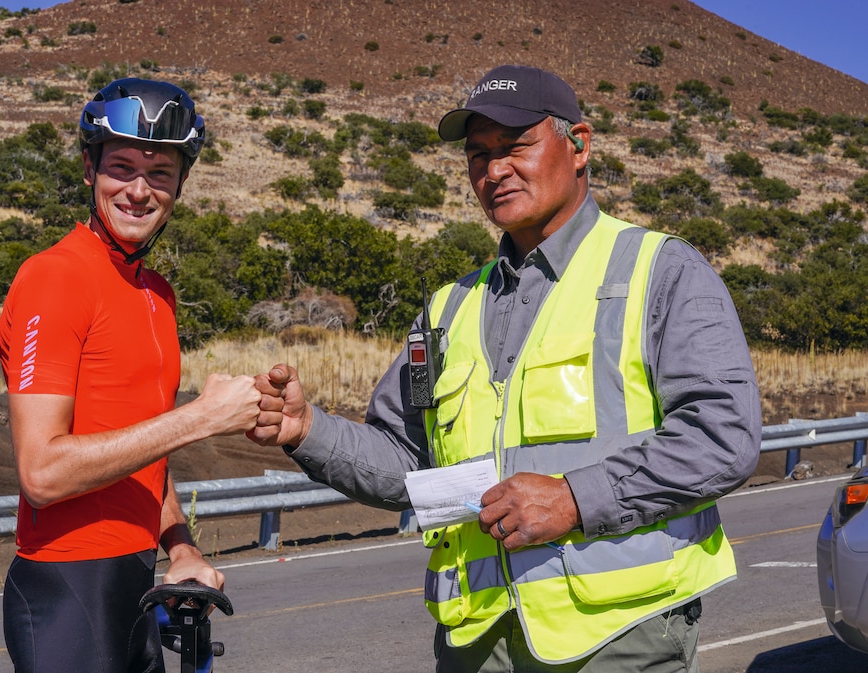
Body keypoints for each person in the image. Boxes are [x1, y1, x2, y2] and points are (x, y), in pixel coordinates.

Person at [250, 65, 761, 672]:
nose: (494, 171)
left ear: (580, 145)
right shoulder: (445, 310)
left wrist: (575, 499)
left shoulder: (661, 271)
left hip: (620, 636)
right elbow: (408, 464)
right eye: (478, 155)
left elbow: (723, 435)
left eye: (516, 145)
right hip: (477, 641)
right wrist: (309, 430)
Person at [0, 78, 263, 673]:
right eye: (121, 168)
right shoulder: (54, 278)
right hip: (66, 587)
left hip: (138, 583)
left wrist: (180, 545)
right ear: (89, 169)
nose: (139, 191)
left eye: (160, 173)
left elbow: (143, 450)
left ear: (180, 184)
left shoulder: (156, 294)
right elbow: (42, 471)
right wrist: (198, 419)